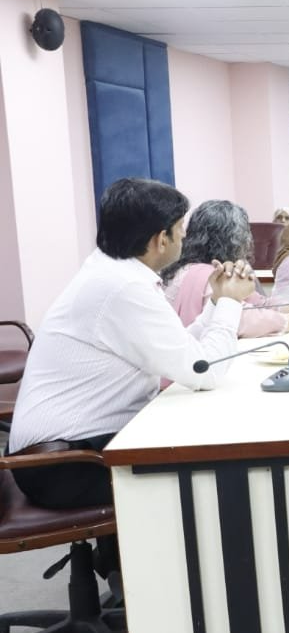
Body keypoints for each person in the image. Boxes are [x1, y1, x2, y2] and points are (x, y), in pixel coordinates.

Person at [6, 177, 255, 510]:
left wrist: (216, 302)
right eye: (180, 228)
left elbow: (182, 351)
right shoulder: (123, 288)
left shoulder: (113, 273)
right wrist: (231, 303)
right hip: (65, 466)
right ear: (160, 240)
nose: (185, 235)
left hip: (63, 452)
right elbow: (204, 371)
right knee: (207, 473)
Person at [163, 199, 289, 336]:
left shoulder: (181, 269)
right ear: (234, 240)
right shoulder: (212, 276)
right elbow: (243, 319)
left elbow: (260, 303)